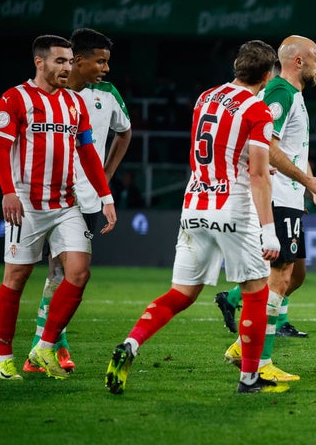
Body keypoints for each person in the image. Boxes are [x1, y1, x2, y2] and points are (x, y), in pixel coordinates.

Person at [104, 39, 288, 395]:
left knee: (182, 293)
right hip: (233, 208)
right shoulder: (258, 110)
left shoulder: (206, 97)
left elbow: (218, 147)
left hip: (194, 205)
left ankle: (131, 343)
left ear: (236, 65)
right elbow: (258, 175)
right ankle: (250, 378)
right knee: (255, 292)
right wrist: (269, 230)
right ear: (267, 76)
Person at [0, 34, 117, 381]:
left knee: (78, 272)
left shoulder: (74, 104)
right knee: (16, 279)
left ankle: (44, 347)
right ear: (40, 62)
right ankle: (3, 358)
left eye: (69, 61)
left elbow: (89, 153)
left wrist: (105, 196)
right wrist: (7, 192)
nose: (67, 67)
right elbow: (1, 149)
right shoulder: (14, 99)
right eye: (60, 61)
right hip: (26, 205)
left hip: (65, 203)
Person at [220, 37, 316, 383]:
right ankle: (259, 359)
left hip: (291, 196)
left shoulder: (293, 96)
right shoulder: (280, 94)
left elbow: (293, 149)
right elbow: (267, 146)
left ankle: (246, 348)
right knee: (278, 277)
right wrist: (304, 180)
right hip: (276, 197)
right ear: (298, 61)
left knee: (292, 275)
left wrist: (309, 185)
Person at [23, 27, 132, 374]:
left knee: (66, 274)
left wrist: (106, 176)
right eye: (99, 61)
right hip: (44, 196)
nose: (105, 68)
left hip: (85, 199)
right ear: (78, 60)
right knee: (53, 271)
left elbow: (125, 131)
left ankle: (49, 345)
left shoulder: (107, 94)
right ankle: (48, 346)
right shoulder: (47, 95)